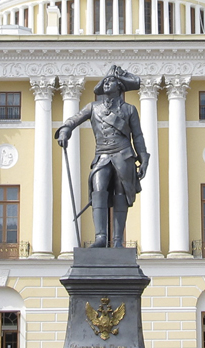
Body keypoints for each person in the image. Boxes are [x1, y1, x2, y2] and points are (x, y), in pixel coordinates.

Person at [55, 65, 149, 248]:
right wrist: (65, 130)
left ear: (120, 87)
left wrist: (143, 158)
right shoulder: (93, 107)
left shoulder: (130, 110)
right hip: (102, 156)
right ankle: (100, 237)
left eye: (111, 81)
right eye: (105, 81)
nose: (106, 83)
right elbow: (74, 119)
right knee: (98, 191)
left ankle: (118, 241)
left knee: (121, 195)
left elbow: (137, 136)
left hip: (124, 156)